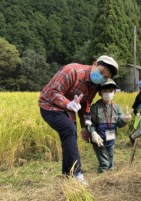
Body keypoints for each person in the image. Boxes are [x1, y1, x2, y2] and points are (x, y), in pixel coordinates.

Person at [38, 55, 119, 185]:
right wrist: (67, 103)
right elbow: (53, 92)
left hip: (69, 111)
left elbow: (85, 107)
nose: (101, 77)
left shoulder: (94, 86)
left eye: (105, 77)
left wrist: (86, 128)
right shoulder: (72, 71)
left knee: (70, 137)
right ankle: (77, 174)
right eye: (101, 72)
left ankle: (67, 176)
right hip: (50, 106)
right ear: (95, 64)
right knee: (69, 130)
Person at [86, 79, 132, 173]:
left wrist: (124, 120)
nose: (108, 93)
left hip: (111, 139)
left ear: (114, 92)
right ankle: (99, 183)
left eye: (110, 91)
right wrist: (93, 133)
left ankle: (110, 183)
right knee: (104, 164)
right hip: (99, 141)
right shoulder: (95, 107)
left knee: (111, 165)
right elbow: (89, 123)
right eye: (105, 91)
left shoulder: (117, 108)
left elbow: (119, 124)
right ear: (99, 93)